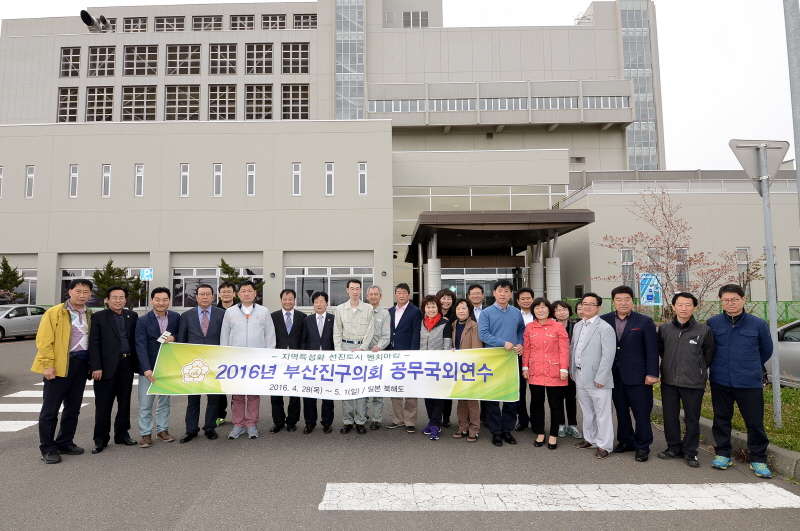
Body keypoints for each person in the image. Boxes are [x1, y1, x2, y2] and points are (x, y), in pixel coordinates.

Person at [706, 284, 773, 478]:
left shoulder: (757, 324)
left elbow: (766, 350)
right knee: (721, 419)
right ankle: (722, 454)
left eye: (734, 299)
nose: (730, 303)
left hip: (748, 381)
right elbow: (708, 349)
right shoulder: (713, 322)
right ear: (721, 301)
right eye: (726, 300)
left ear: (743, 300)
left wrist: (748, 366)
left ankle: (758, 459)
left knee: (754, 422)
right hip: (720, 380)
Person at [32, 278, 94, 464]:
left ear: (90, 294)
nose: (82, 295)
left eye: (86, 292)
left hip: (81, 364)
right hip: (58, 365)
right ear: (70, 292)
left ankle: (65, 441)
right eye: (78, 291)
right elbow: (44, 341)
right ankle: (48, 448)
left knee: (73, 407)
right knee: (50, 409)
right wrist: (48, 364)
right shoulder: (55, 312)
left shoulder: (89, 313)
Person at [600, 285, 659, 462]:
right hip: (613, 374)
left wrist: (652, 373)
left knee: (641, 412)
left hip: (639, 375)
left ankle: (642, 446)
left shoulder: (644, 321)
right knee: (621, 410)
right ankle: (626, 440)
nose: (623, 303)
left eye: (626, 299)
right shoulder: (605, 320)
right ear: (613, 302)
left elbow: (652, 350)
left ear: (632, 301)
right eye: (618, 299)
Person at [657, 292, 715, 468]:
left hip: (693, 382)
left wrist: (697, 370)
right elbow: (661, 351)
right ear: (673, 307)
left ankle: (690, 451)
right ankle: (673, 447)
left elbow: (708, 356)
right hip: (669, 381)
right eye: (680, 305)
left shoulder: (703, 330)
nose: (684, 308)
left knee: (692, 418)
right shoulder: (665, 329)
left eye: (688, 305)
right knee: (670, 416)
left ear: (695, 308)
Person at [220, 280, 276, 440]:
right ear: (238, 294)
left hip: (256, 360)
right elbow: (224, 336)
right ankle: (237, 425)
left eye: (249, 291)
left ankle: (251, 424)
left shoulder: (263, 311)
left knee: (253, 394)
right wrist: (225, 356)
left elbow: (269, 335)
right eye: (243, 291)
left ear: (255, 293)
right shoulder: (230, 312)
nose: (246, 293)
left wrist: (268, 356)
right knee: (237, 395)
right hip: (236, 360)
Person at [88, 285, 139, 454]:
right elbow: (93, 344)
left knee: (124, 402)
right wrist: (95, 367)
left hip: (127, 364)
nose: (118, 300)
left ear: (126, 300)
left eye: (122, 297)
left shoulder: (132, 316)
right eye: (114, 297)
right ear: (107, 300)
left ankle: (122, 434)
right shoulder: (99, 317)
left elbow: (136, 340)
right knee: (103, 404)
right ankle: (100, 439)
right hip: (106, 367)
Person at [478, 279, 525, 448]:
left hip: (512, 359)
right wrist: (502, 342)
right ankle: (496, 432)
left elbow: (521, 330)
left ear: (511, 294)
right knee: (493, 397)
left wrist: (520, 343)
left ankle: (507, 430)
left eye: (506, 291)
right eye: (500, 290)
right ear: (494, 293)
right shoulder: (487, 312)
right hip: (493, 359)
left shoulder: (516, 312)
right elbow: (483, 334)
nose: (503, 294)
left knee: (511, 396)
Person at [177, 284, 226, 442]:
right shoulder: (186, 316)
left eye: (208, 294)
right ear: (196, 297)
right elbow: (182, 341)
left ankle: (210, 428)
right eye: (201, 294)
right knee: (193, 399)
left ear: (213, 297)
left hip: (215, 363)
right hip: (193, 365)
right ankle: (191, 430)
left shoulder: (223, 314)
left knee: (213, 399)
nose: (205, 297)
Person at [570, 292, 616, 459]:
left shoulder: (605, 327)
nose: (586, 306)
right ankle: (590, 439)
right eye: (584, 303)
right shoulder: (578, 326)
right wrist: (571, 370)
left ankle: (605, 446)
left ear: (598, 307)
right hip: (580, 374)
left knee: (602, 412)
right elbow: (573, 349)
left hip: (598, 378)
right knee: (587, 410)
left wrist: (601, 377)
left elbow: (608, 355)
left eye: (591, 304)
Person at [134, 287, 181, 448]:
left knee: (164, 402)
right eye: (158, 299)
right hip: (148, 369)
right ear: (152, 300)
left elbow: (182, 335)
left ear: (169, 301)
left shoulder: (175, 317)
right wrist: (146, 368)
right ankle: (145, 434)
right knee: (146, 404)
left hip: (167, 367)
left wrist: (175, 337)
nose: (161, 303)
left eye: (165, 300)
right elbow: (140, 345)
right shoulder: (143, 320)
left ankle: (162, 430)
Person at [521, 297, 569, 450]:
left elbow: (564, 349)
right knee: (537, 404)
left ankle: (553, 435)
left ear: (549, 309)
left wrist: (564, 369)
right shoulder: (530, 327)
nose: (540, 310)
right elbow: (526, 349)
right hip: (535, 371)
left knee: (555, 404)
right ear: (533, 310)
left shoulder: (558, 326)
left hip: (555, 371)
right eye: (537, 308)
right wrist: (525, 367)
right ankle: (540, 433)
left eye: (543, 307)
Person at [333, 278, 375, 435]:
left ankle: (361, 420)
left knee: (361, 386)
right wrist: (339, 352)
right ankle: (348, 420)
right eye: (352, 288)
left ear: (361, 290)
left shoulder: (368, 308)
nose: (355, 291)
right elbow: (337, 331)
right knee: (347, 386)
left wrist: (363, 348)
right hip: (346, 349)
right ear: (347, 290)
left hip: (362, 350)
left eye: (358, 288)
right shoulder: (340, 309)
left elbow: (371, 330)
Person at [386, 283, 422, 433]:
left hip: (408, 353)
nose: (401, 295)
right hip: (392, 353)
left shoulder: (415, 311)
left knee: (410, 387)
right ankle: (399, 418)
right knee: (394, 387)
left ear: (408, 295)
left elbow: (416, 332)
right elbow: (388, 331)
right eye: (399, 292)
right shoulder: (390, 311)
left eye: (404, 293)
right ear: (395, 294)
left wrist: (413, 353)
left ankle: (410, 420)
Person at [269, 289, 304, 433]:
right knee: (276, 393)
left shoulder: (302, 317)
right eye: (285, 299)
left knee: (294, 393)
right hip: (278, 361)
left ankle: (292, 421)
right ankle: (278, 422)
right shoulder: (273, 317)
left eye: (290, 299)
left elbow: (304, 338)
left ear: (294, 300)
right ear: (281, 300)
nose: (288, 301)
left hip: (296, 361)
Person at [300, 291, 336, 434]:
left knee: (327, 394)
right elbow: (303, 341)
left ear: (327, 303)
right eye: (316, 302)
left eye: (322, 301)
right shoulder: (307, 320)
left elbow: (336, 340)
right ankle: (310, 423)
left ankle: (327, 423)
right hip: (311, 364)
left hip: (328, 363)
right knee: (309, 395)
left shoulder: (334, 319)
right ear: (313, 304)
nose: (319, 304)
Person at [419, 295, 453, 441]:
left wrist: (445, 362)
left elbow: (447, 345)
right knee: (428, 396)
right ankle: (431, 421)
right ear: (424, 309)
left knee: (438, 396)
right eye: (428, 306)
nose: (431, 309)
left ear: (438, 308)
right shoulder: (420, 323)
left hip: (439, 366)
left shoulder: (444, 323)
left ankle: (435, 425)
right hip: (423, 365)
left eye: (433, 306)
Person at [450, 298, 482, 442]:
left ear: (469, 310)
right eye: (458, 308)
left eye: (463, 308)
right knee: (461, 400)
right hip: (457, 367)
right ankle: (463, 426)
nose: (460, 311)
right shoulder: (454, 325)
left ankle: (474, 429)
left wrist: (472, 365)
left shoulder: (474, 325)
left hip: (470, 367)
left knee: (472, 400)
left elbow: (477, 348)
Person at [552, 300, 582, 439]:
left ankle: (572, 424)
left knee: (571, 397)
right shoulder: (551, 327)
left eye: (564, 309)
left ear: (569, 311)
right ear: (553, 313)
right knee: (557, 397)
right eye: (558, 310)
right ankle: (560, 424)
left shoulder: (576, 326)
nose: (561, 312)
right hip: (555, 367)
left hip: (572, 367)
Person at [366, 285, 391, 430]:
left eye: (376, 294)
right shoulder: (362, 311)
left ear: (380, 296)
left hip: (377, 355)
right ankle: (362, 415)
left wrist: (379, 346)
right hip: (363, 354)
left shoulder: (385, 314)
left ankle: (377, 418)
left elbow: (386, 336)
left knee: (377, 388)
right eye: (371, 294)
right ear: (367, 296)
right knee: (363, 387)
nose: (373, 296)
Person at [214, 280, 237, 426]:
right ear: (219, 294)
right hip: (218, 353)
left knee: (237, 386)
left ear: (234, 294)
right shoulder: (214, 311)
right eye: (223, 291)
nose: (226, 294)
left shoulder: (241, 310)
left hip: (236, 353)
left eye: (229, 291)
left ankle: (238, 416)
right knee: (219, 386)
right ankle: (220, 415)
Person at [514, 287, 535, 432]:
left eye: (528, 298)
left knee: (536, 391)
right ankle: (522, 419)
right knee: (519, 390)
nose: (526, 301)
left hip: (537, 357)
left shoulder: (540, 313)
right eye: (523, 298)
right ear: (517, 301)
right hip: (519, 355)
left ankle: (535, 420)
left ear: (532, 299)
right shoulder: (514, 315)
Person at [436, 288, 456, 426]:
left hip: (452, 353)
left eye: (449, 298)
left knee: (448, 386)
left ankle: (446, 417)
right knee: (436, 386)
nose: (446, 301)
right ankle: (435, 416)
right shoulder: (433, 313)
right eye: (443, 298)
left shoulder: (457, 313)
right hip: (436, 355)